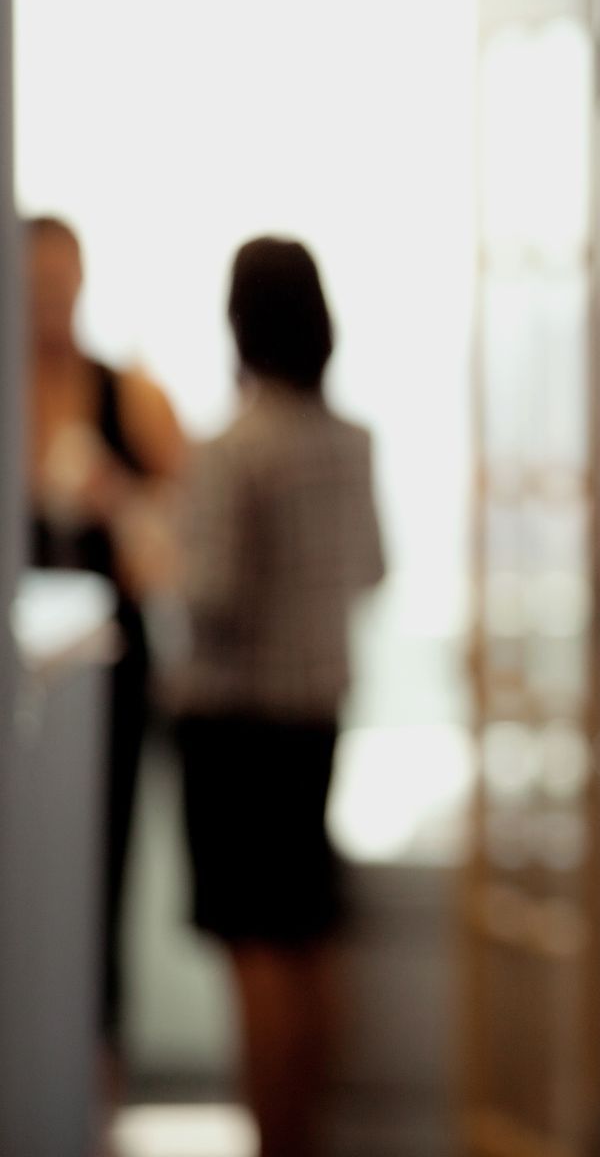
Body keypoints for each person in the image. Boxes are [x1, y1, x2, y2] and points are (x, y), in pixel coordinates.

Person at [173, 237, 384, 1157]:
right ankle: (309, 1135)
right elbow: (374, 569)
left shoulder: (234, 450)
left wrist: (153, 545)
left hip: (236, 725)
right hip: (314, 720)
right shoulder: (350, 444)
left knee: (257, 947)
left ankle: (274, 1139)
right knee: (308, 936)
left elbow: (211, 596)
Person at [25, 215, 189, 1066]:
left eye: (64, 279)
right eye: (36, 281)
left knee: (100, 879)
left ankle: (97, 1084)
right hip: (21, 677)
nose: (52, 298)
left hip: (108, 680)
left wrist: (115, 499)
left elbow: (187, 544)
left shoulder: (128, 394)